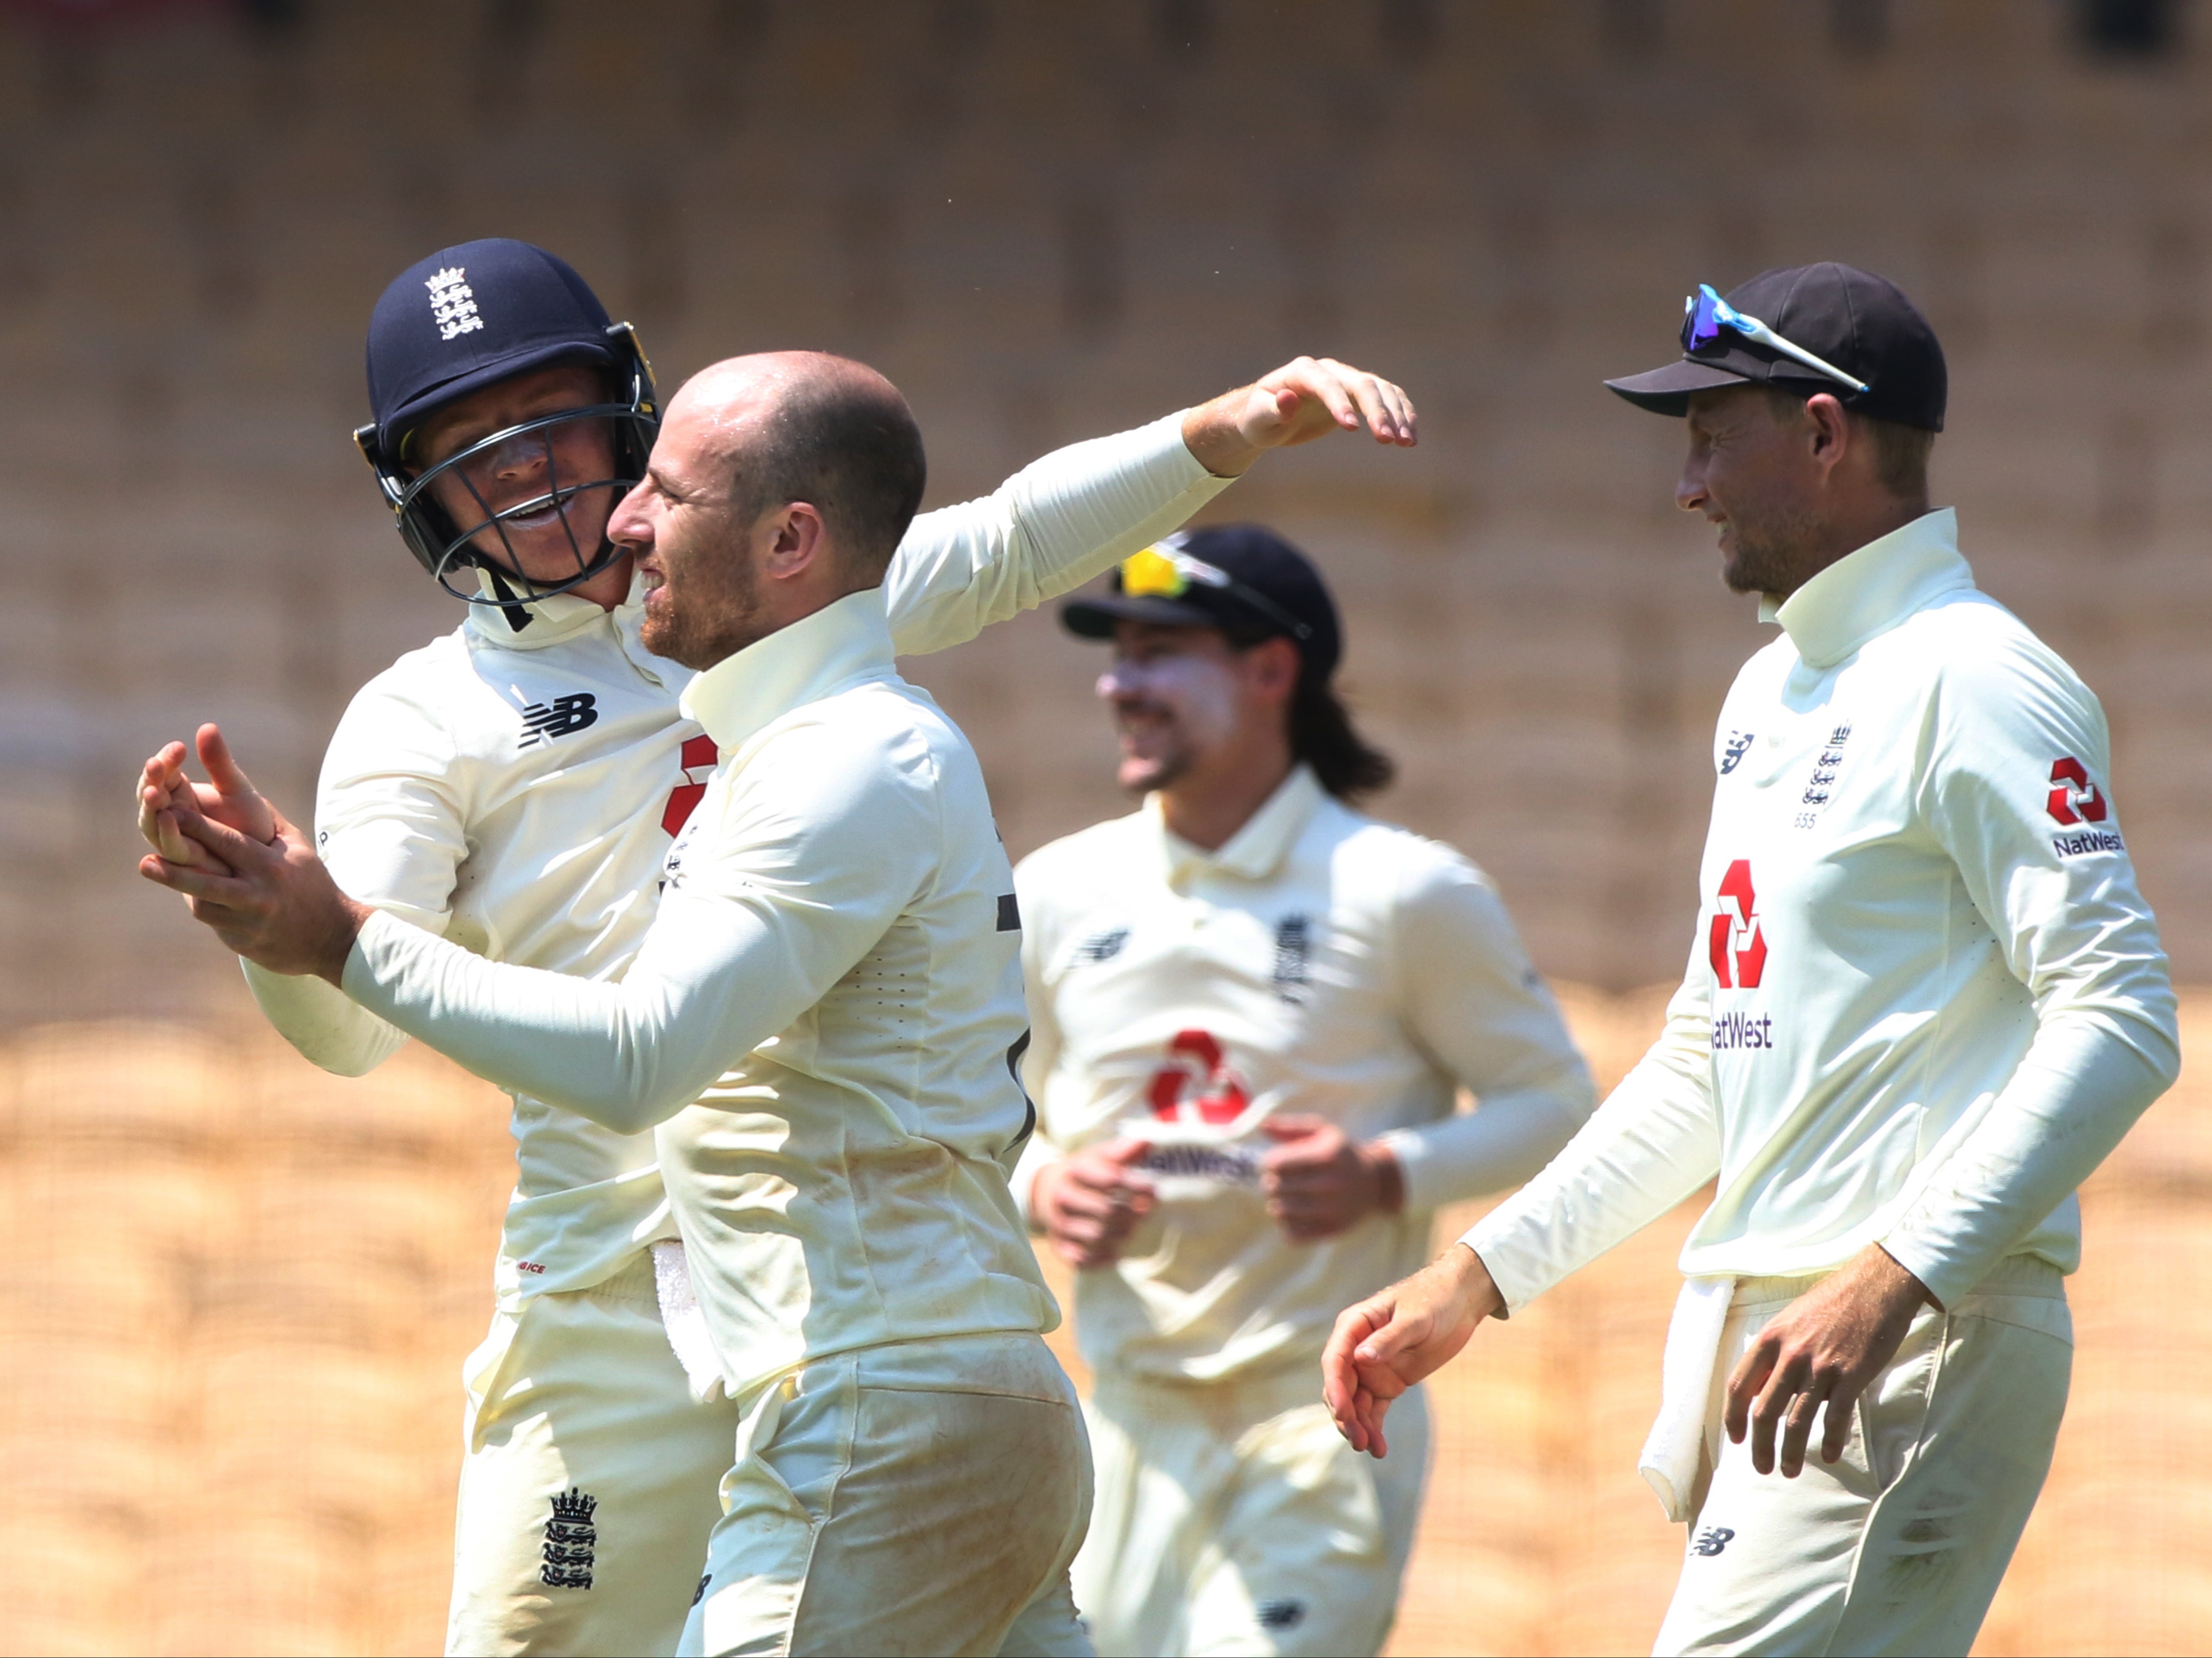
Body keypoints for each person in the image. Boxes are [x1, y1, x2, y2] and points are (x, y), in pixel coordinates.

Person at [134, 235, 1419, 1658]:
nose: (528, 471)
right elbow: (349, 1022)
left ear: (627, 408)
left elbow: (999, 541)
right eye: (470, 447)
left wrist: (1221, 431)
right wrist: (274, 932)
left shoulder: (751, 595)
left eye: (551, 416)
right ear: (410, 490)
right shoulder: (424, 719)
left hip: (830, 1295)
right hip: (614, 1297)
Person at [1321, 264, 2179, 1657]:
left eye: (1713, 436)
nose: (1688, 485)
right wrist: (1477, 1276)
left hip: (1903, 1338)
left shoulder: (1974, 675)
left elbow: (2126, 1017)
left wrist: (1891, 1274)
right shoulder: (1768, 690)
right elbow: (1708, 1053)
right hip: (1791, 1339)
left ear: (1826, 434)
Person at [1012, 525, 1595, 1656]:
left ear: (1271, 669)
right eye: (1117, 653)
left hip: (1321, 1420)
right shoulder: (1058, 890)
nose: (1118, 684)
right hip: (1120, 1421)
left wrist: (1385, 1173)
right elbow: (977, 1122)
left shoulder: (1405, 890)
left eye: (1159, 651)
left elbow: (1557, 1103)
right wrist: (1044, 1186)